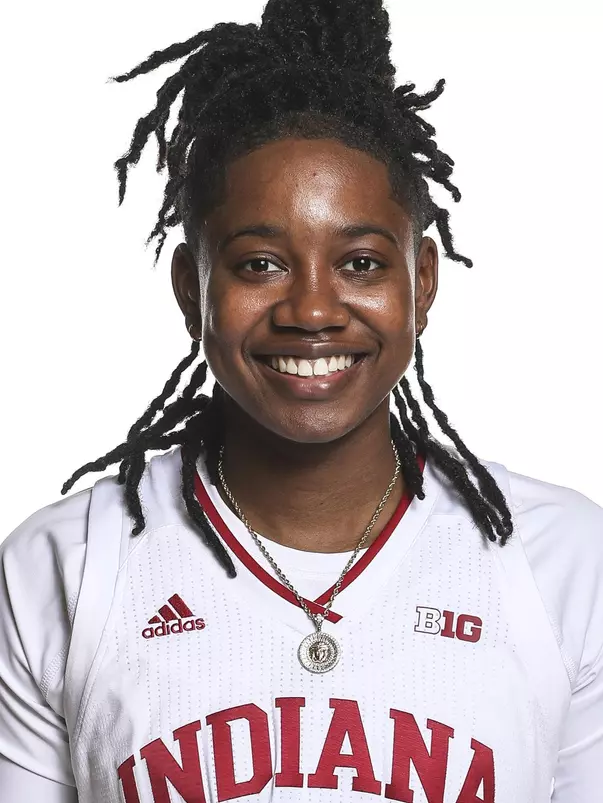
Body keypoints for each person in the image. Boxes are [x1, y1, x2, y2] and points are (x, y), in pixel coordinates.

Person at [0, 0, 601, 800]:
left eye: (359, 262)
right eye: (258, 264)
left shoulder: (561, 561)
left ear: (421, 281)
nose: (312, 310)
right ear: (192, 289)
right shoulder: (66, 567)